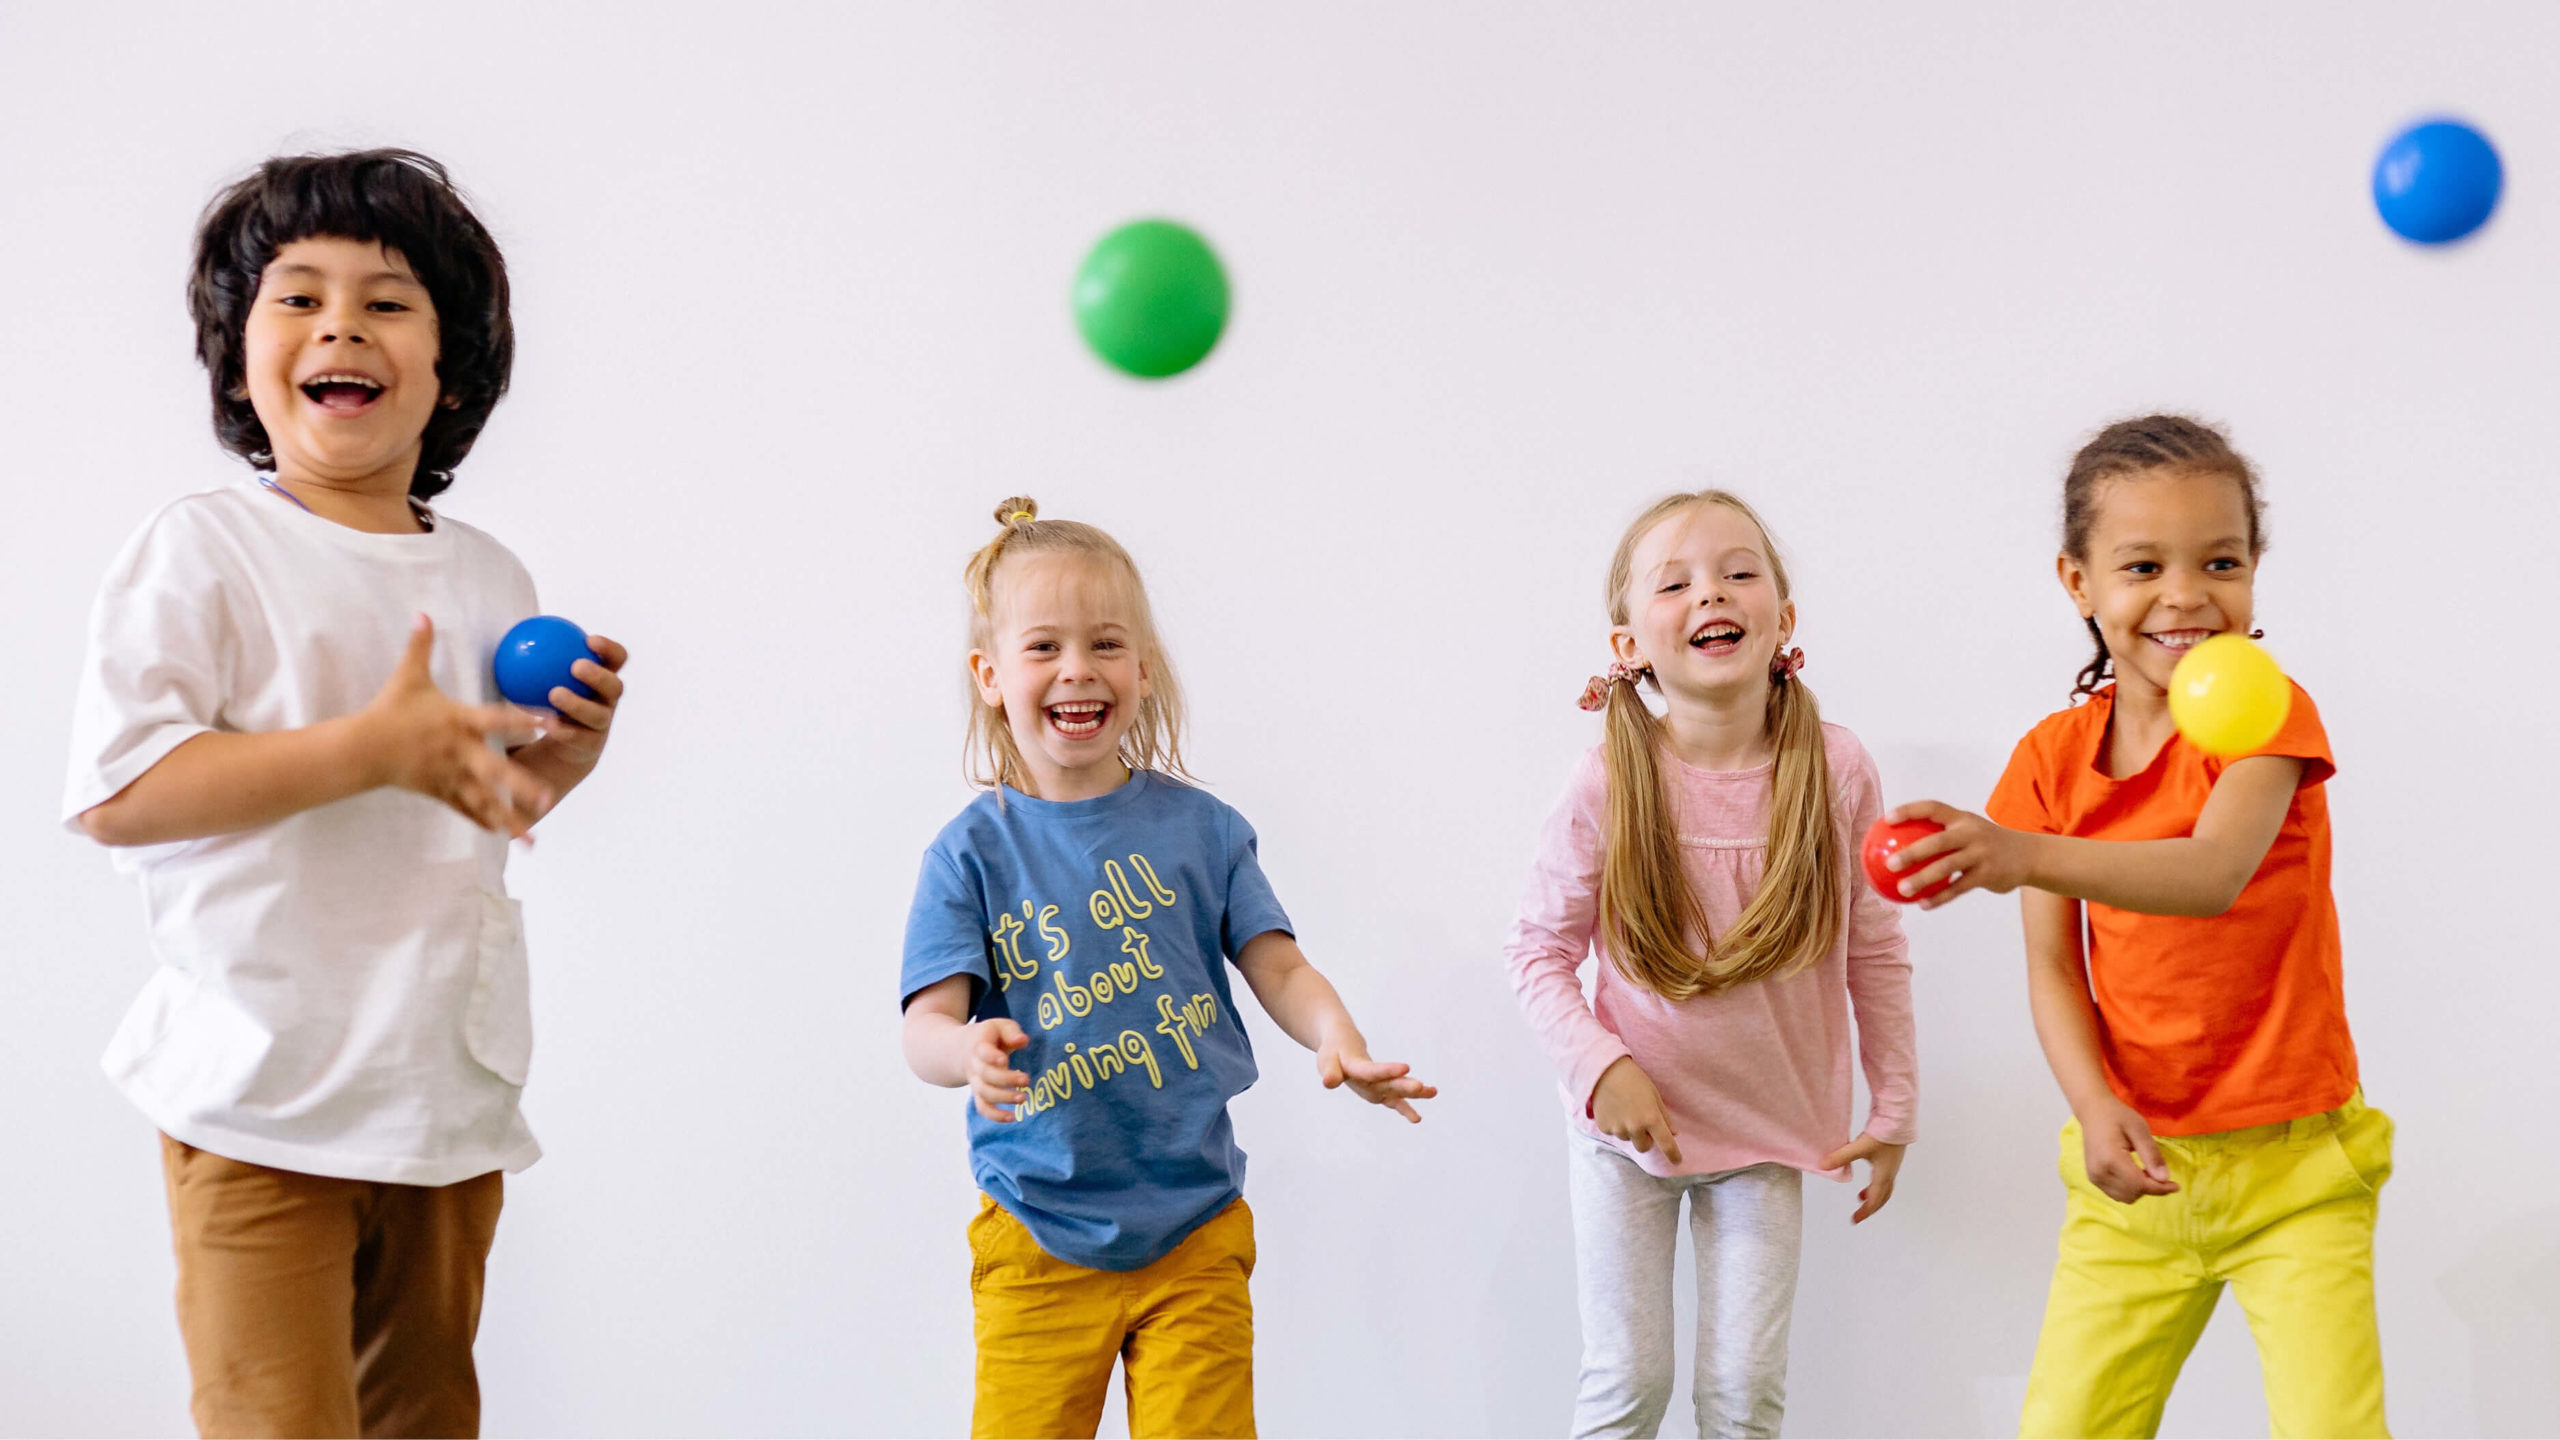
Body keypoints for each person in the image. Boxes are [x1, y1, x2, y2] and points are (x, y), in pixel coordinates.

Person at [63, 149, 629, 1437]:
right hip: (258, 1101)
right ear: (240, 355)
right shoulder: (204, 550)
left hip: (438, 1102)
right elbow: (123, 791)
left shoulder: (489, 575)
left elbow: (477, 805)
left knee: (425, 1416)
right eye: (299, 297)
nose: (341, 326)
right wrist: (362, 749)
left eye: (387, 302)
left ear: (448, 368)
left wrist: (552, 772)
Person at [1882, 415, 2389, 1438]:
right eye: (2142, 564)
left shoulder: (2268, 718)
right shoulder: (2049, 759)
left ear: (2254, 572)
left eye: (2221, 561)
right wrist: (2092, 1101)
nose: (2186, 594)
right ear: (2079, 583)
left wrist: (2020, 850)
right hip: (2133, 1176)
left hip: (2296, 1175)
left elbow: (2209, 873)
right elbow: (2054, 971)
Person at [899, 498, 1435, 1440]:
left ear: (1143, 671)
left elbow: (1278, 965)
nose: (1078, 669)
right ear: (989, 675)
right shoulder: (969, 855)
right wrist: (964, 1048)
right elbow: (923, 1028)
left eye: (1107, 644)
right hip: (1037, 1232)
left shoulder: (1203, 831)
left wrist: (1337, 1035)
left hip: (1194, 1230)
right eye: (1044, 649)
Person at [1507, 489, 1918, 1438]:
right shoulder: (1611, 776)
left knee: (1743, 1398)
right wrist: (1600, 1066)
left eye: (1739, 573)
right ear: (1628, 647)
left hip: (1767, 1133)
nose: (1711, 594)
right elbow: (1537, 949)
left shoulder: (1837, 768)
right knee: (1628, 1386)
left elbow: (1876, 949)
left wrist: (1893, 1107)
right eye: (1676, 582)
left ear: (1783, 618)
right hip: (1626, 1139)